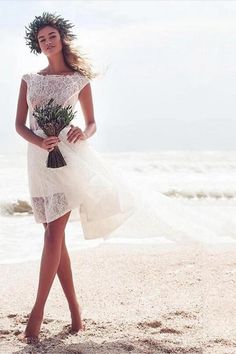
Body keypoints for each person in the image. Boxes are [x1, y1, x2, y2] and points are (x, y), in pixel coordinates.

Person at [15, 11, 136, 343]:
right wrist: (39, 141)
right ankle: (75, 312)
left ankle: (36, 314)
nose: (47, 42)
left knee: (53, 236)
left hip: (69, 160)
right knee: (56, 239)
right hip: (39, 161)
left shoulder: (78, 79)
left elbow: (92, 122)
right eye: (41, 39)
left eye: (51, 36)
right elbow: (19, 125)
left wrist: (85, 132)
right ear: (37, 44)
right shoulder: (29, 79)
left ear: (62, 37)